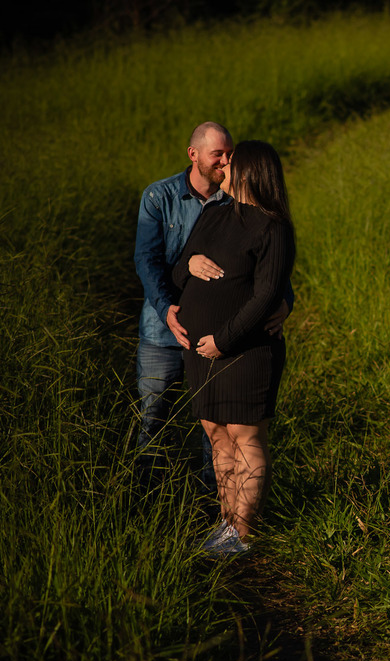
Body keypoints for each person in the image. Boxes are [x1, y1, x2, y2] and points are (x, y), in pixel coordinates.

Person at [133, 121, 291, 490]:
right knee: (154, 414)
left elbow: (270, 266)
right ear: (194, 155)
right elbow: (147, 260)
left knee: (215, 428)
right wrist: (166, 305)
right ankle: (146, 493)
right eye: (217, 154)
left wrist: (286, 301)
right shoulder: (160, 197)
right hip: (163, 331)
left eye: (230, 154)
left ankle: (214, 507)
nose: (225, 161)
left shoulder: (236, 199)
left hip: (221, 340)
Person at [172, 140, 296, 556]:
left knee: (246, 436)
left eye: (233, 163)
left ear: (251, 171)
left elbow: (265, 296)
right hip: (199, 352)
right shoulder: (214, 214)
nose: (224, 167)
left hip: (245, 349)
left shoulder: (272, 226)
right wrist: (187, 265)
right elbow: (178, 269)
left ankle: (243, 535)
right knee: (217, 436)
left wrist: (224, 341)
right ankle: (226, 526)